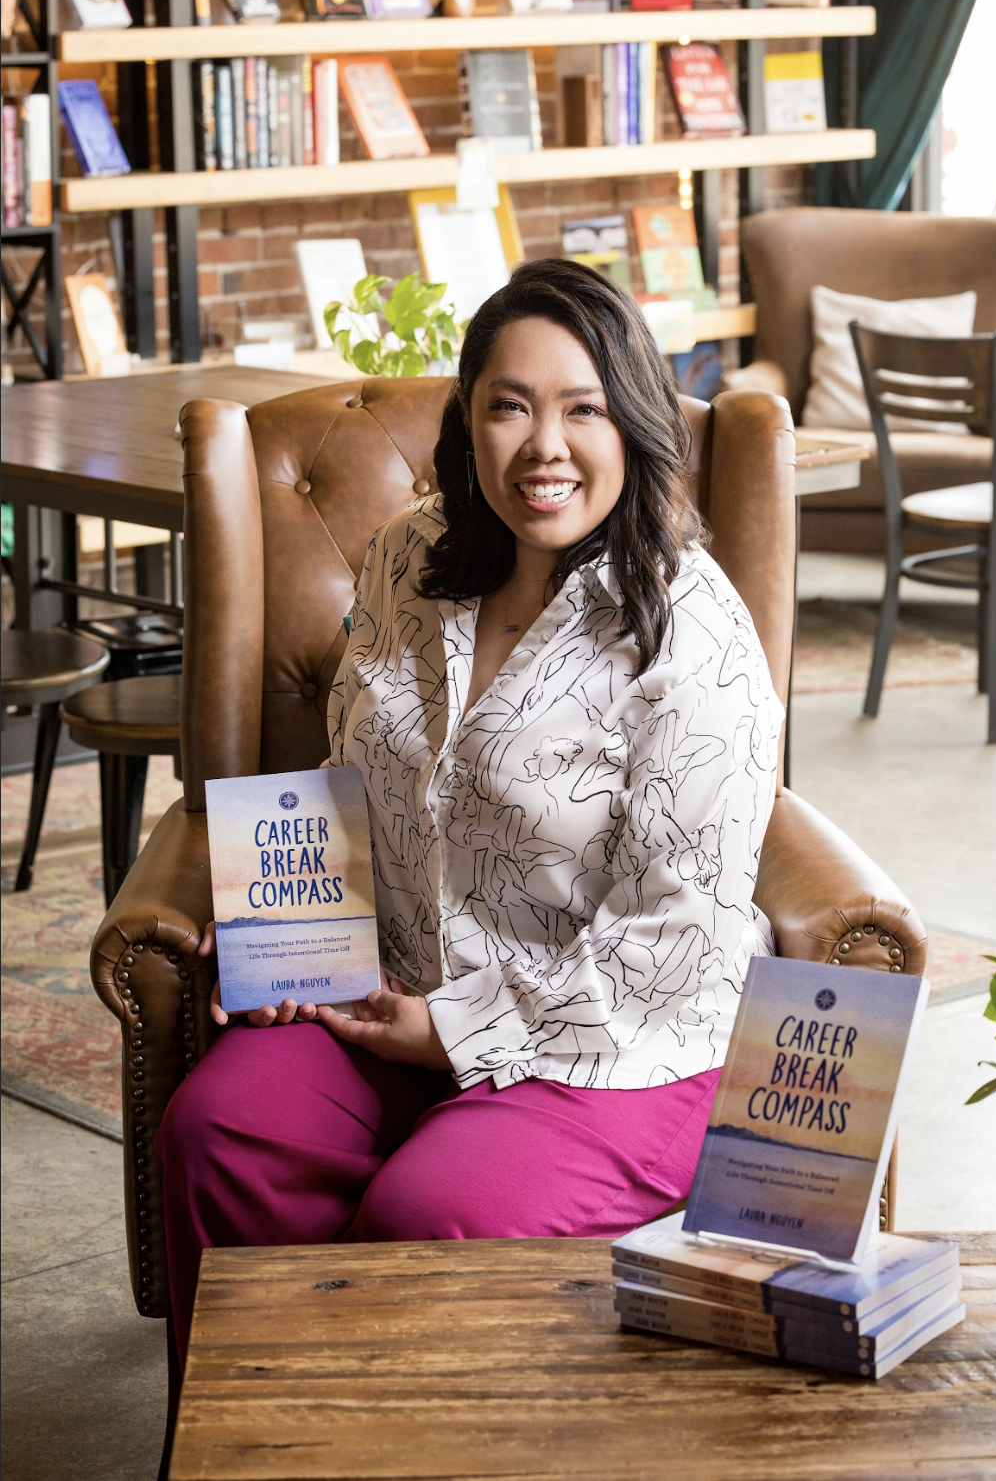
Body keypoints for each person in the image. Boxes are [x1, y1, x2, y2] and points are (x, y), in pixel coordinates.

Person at [157, 258, 783, 1362]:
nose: (544, 444)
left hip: (610, 1042)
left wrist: (452, 1033)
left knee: (429, 1216)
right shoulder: (409, 557)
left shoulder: (694, 632)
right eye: (510, 406)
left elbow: (675, 941)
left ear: (629, 422)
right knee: (220, 1135)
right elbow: (349, 775)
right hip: (388, 984)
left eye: (581, 408)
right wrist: (277, 932)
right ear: (469, 423)